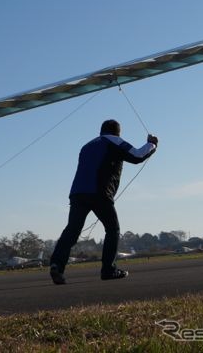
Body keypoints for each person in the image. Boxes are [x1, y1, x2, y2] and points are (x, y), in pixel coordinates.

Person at [49, 119, 158, 284]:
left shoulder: (86, 146)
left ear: (101, 130)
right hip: (99, 193)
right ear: (117, 132)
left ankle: (57, 264)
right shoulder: (114, 141)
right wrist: (151, 145)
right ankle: (108, 269)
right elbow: (137, 155)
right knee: (112, 229)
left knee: (72, 230)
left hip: (77, 192)